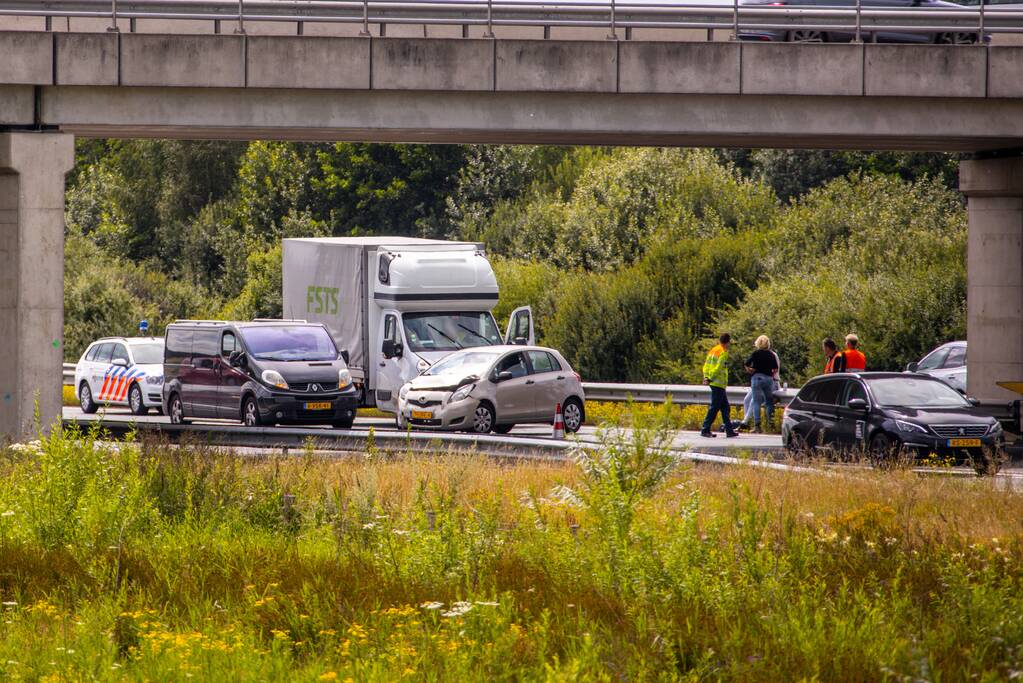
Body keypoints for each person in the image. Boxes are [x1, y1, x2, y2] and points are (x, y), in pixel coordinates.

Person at [701, 333, 737, 438]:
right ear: (728, 342)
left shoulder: (713, 350)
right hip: (718, 383)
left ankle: (729, 430)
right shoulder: (723, 352)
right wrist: (711, 377)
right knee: (714, 407)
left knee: (725, 407)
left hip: (714, 382)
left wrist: (707, 377)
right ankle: (705, 429)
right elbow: (719, 367)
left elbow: (706, 365)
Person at [744, 335, 779, 433]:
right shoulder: (771, 354)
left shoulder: (756, 353)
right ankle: (770, 425)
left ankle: (757, 426)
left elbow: (747, 363)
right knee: (769, 402)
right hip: (768, 379)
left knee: (756, 402)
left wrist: (750, 370)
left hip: (757, 378)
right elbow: (775, 369)